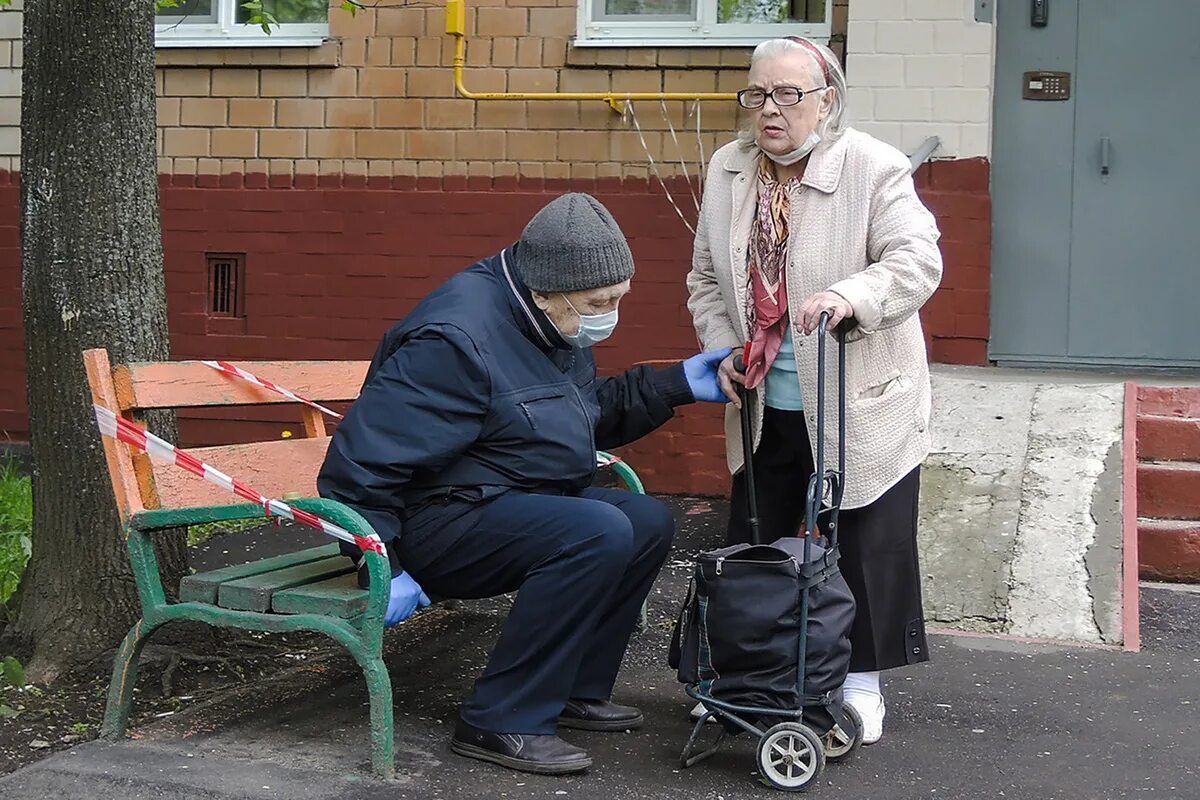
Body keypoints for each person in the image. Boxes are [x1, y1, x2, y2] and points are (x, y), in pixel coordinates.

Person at [318, 192, 730, 775]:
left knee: (643, 521)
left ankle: (572, 690)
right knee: (595, 530)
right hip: (424, 526)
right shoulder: (454, 339)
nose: (608, 313)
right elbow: (360, 465)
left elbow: (571, 417)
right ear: (545, 290)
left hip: (495, 501)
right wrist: (377, 561)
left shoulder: (549, 322)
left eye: (618, 298)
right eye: (598, 302)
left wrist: (675, 385)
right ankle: (501, 718)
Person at [685, 36, 943, 745]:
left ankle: (860, 688)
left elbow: (917, 261)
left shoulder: (872, 166)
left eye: (788, 94)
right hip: (766, 397)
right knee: (760, 541)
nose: (769, 109)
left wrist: (850, 294)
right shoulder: (730, 168)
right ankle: (747, 680)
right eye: (757, 94)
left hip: (859, 395)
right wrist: (722, 350)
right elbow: (707, 278)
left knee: (862, 541)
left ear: (827, 100)